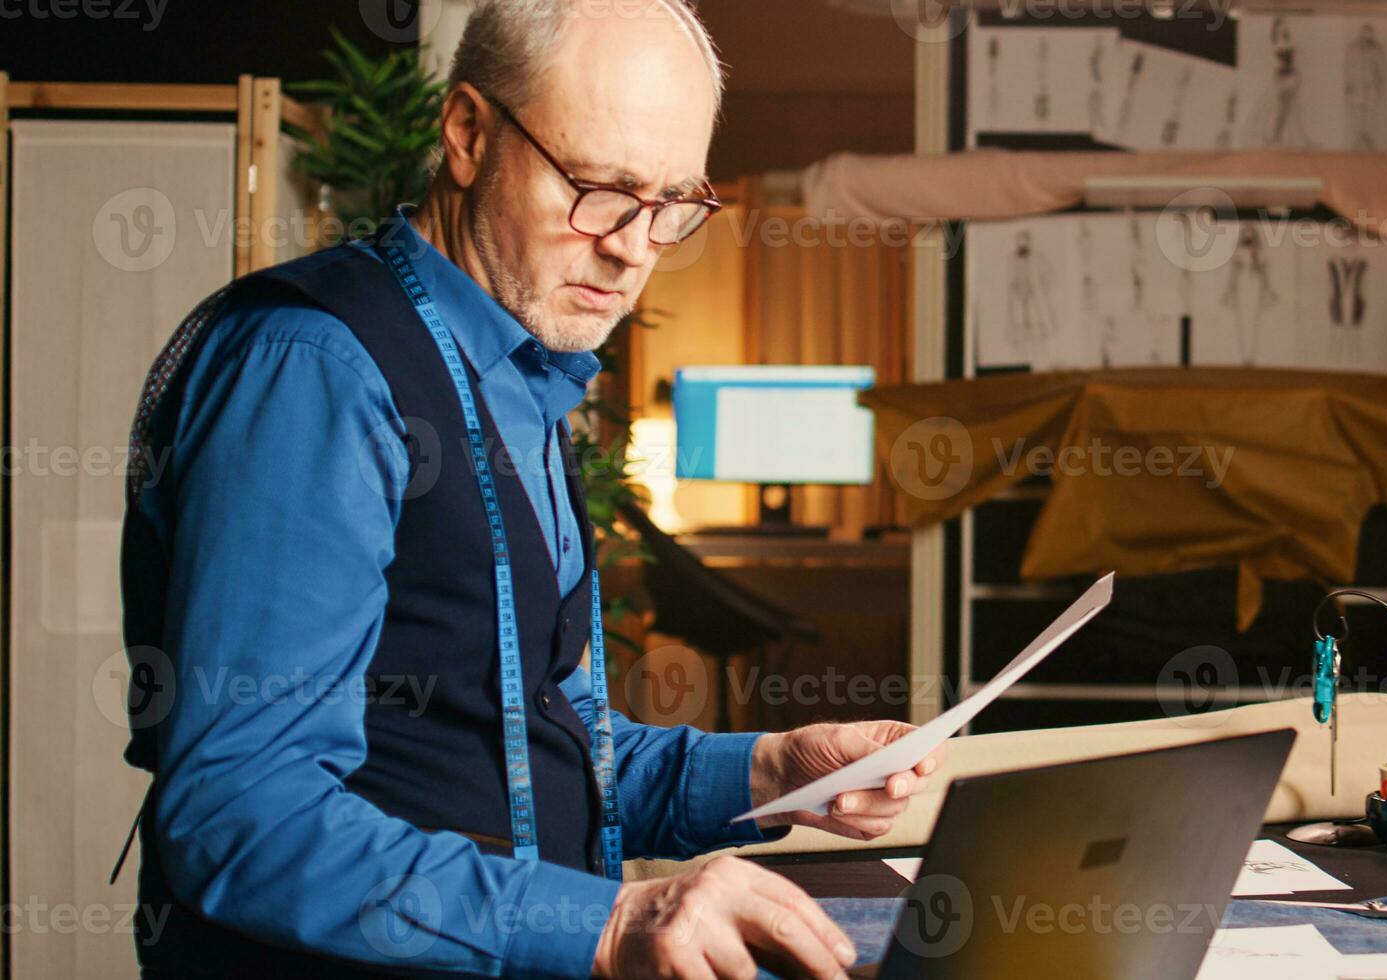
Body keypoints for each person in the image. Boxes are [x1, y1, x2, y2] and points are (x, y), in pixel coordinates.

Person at [118, 1, 941, 976]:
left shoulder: (518, 370)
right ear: (467, 134)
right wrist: (617, 921)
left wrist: (770, 772)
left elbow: (546, 741)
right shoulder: (318, 367)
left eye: (672, 202)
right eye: (601, 187)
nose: (634, 246)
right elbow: (243, 816)